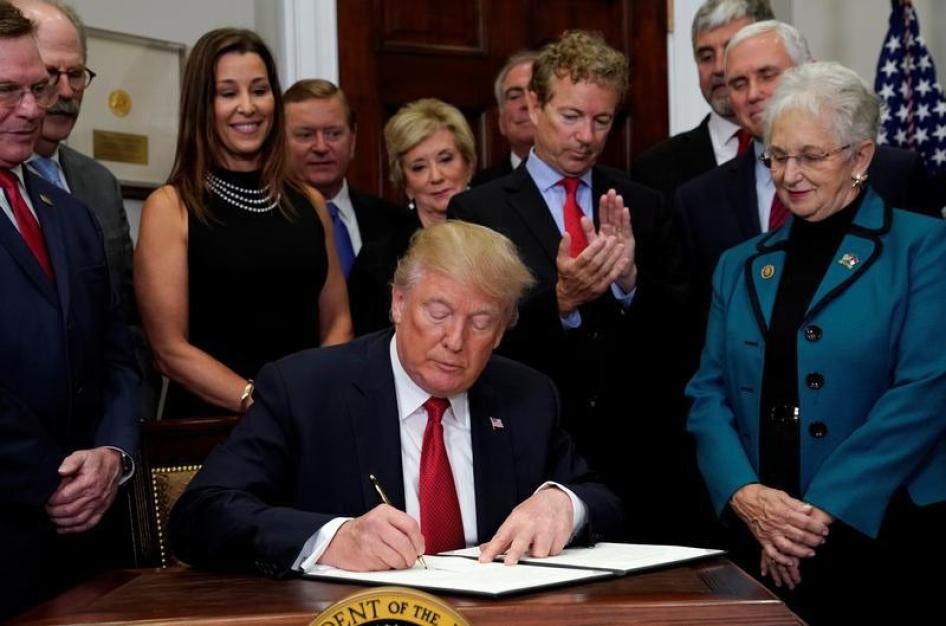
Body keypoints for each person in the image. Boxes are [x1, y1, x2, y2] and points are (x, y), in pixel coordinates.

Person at [169, 221, 623, 575]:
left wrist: (563, 501)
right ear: (399, 303)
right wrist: (331, 538)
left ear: (503, 330)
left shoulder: (526, 396)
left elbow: (603, 499)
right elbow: (199, 515)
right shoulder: (305, 390)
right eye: (438, 312)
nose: (455, 340)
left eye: (481, 322)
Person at [686, 61, 946, 625]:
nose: (789, 174)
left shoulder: (925, 247)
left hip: (883, 535)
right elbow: (707, 394)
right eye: (777, 156)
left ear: (861, 157)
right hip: (758, 535)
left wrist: (815, 514)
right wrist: (745, 494)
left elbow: (926, 391)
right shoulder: (740, 264)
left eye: (811, 156)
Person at [449, 31, 691, 544]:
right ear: (534, 106)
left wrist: (629, 285)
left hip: (638, 459)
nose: (587, 136)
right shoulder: (479, 210)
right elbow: (473, 336)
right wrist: (560, 301)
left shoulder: (642, 204)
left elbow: (684, 332)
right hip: (526, 450)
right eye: (571, 116)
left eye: (602, 121)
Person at [0, 4, 139, 618]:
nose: (33, 108)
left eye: (37, 88)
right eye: (6, 91)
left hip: (90, 544)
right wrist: (52, 481)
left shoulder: (72, 214)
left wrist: (112, 453)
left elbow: (118, 350)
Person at [135, 29, 351, 418]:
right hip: (211, 432)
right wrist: (261, 402)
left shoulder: (310, 202)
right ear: (203, 103)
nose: (248, 106)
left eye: (260, 89)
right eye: (228, 93)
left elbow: (337, 320)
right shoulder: (170, 207)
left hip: (309, 420)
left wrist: (315, 398)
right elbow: (169, 349)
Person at [675, 20, 941, 309]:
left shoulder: (894, 172)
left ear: (809, 71)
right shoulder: (696, 200)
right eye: (738, 83)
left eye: (767, 75)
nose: (753, 94)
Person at [348, 98, 475, 335]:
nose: (436, 176)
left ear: (468, 164)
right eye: (419, 167)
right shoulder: (378, 260)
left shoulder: (503, 232)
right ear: (404, 182)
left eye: (446, 159)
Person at [630, 0, 773, 200]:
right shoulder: (656, 168)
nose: (718, 68)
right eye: (706, 56)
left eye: (732, 51)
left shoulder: (811, 150)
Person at [284, 79, 411, 278]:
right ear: (279, 143)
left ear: (352, 140)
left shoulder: (393, 221)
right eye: (305, 135)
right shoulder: (268, 222)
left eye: (333, 134)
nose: (321, 147)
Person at [472, 50, 537, 186]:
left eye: (536, 92)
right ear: (501, 121)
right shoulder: (480, 189)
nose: (526, 103)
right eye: (514, 96)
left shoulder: (589, 180)